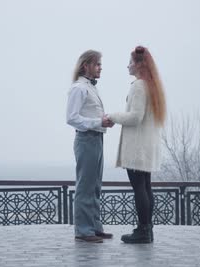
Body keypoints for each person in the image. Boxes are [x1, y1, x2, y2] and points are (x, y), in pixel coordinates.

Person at [105, 46, 166, 244]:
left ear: (140, 64)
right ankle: (147, 230)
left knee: (139, 187)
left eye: (130, 62)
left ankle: (143, 230)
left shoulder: (139, 85)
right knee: (146, 187)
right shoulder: (152, 85)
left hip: (137, 147)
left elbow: (135, 117)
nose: (128, 65)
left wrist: (111, 116)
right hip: (147, 146)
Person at [66, 50, 114, 243]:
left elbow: (90, 116)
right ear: (86, 65)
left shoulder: (90, 88)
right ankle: (83, 231)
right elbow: (71, 118)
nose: (100, 68)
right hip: (86, 139)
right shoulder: (79, 88)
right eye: (97, 64)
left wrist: (102, 121)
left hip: (96, 139)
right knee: (85, 185)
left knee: (94, 186)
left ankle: (94, 227)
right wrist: (98, 122)